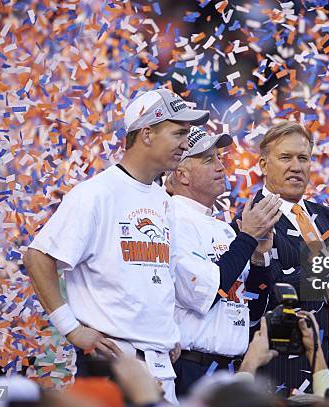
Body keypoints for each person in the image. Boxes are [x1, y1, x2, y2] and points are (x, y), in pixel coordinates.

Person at [23, 88, 209, 404]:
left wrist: (169, 333)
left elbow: (159, 275)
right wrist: (71, 328)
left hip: (162, 365)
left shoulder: (163, 200)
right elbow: (37, 257)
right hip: (113, 365)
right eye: (178, 133)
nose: (184, 143)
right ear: (147, 134)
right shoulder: (96, 194)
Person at [233, 121, 329, 393]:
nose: (296, 166)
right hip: (287, 371)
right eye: (285, 157)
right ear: (263, 164)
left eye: (303, 158)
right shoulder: (250, 221)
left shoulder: (328, 217)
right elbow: (271, 294)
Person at [165, 126, 282, 396]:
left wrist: (259, 260)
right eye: (208, 160)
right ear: (181, 174)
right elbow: (203, 294)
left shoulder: (224, 229)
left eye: (220, 158)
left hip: (230, 369)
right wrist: (248, 238)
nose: (221, 166)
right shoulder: (171, 218)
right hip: (190, 369)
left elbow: (249, 312)